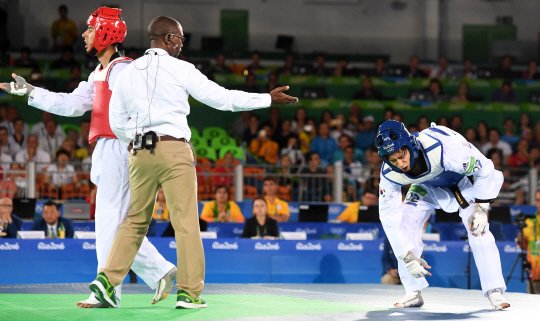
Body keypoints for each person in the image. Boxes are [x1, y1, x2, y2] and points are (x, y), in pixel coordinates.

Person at [99, 15, 297, 309]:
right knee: (186, 224)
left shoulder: (127, 72)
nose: (181, 45)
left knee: (134, 221)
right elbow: (223, 98)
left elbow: (115, 122)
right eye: (179, 39)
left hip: (139, 151)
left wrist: (140, 136)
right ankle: (189, 293)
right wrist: (266, 99)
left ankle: (105, 283)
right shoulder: (181, 69)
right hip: (174, 150)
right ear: (168, 39)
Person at [1, 7, 177, 309]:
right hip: (108, 149)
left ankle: (106, 289)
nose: (84, 35)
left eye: (90, 29)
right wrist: (32, 92)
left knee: (109, 220)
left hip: (123, 147)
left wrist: (145, 146)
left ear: (106, 34)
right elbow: (71, 103)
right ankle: (159, 270)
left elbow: (145, 107)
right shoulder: (99, 72)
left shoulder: (123, 69)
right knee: (118, 221)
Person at [375, 120, 510, 310]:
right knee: (405, 223)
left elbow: (485, 168)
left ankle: (494, 291)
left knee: (478, 228)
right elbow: (388, 215)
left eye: (402, 155)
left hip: (461, 182)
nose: (401, 164)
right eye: (393, 160)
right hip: (426, 186)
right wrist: (406, 256)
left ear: (410, 144)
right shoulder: (389, 173)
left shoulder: (442, 149)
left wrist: (482, 208)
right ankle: (413, 291)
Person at [517, 190, 540, 294]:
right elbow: (524, 246)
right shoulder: (528, 222)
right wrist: (520, 240)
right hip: (534, 273)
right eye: (538, 200)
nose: (539, 203)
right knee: (532, 307)